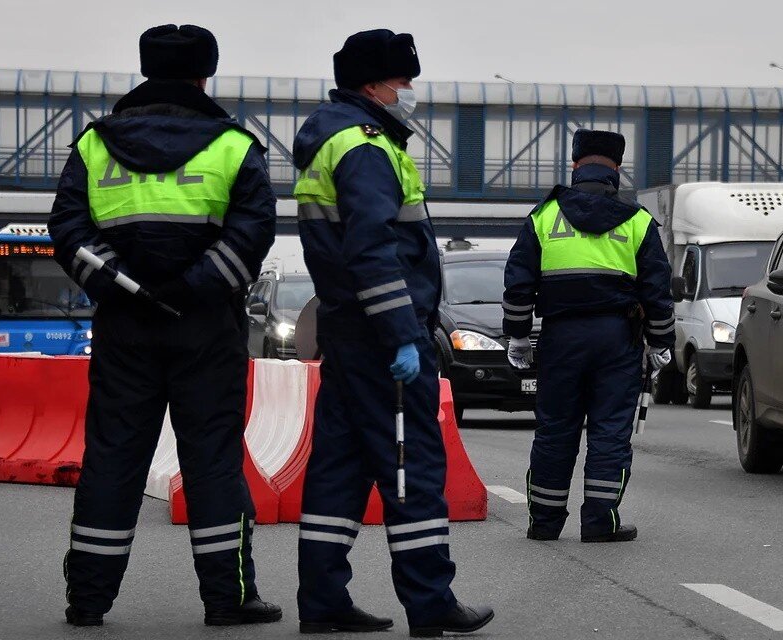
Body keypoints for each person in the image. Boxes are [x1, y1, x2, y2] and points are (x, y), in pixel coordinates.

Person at [48, 24, 280, 627]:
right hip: (206, 330)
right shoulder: (234, 146)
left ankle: (88, 600)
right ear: (207, 74)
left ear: (146, 69)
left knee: (113, 459)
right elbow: (252, 234)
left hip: (125, 326)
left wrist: (124, 282)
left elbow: (68, 231)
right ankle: (228, 600)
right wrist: (191, 287)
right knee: (212, 462)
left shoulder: (94, 145)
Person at [291, 29, 494, 637]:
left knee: (339, 469)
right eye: (404, 82)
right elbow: (374, 249)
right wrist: (403, 334)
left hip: (348, 334)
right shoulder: (365, 147)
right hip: (380, 340)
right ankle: (430, 604)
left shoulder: (332, 139)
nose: (410, 93)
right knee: (413, 471)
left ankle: (324, 602)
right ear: (375, 84)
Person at [503, 129, 675, 543]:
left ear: (576, 166)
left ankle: (543, 522)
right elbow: (657, 288)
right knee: (610, 430)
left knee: (555, 429)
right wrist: (661, 341)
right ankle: (599, 521)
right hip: (618, 338)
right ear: (617, 169)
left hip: (561, 337)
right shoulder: (637, 221)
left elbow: (519, 281)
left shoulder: (543, 217)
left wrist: (518, 336)